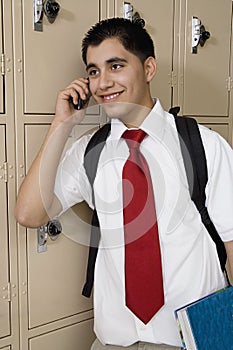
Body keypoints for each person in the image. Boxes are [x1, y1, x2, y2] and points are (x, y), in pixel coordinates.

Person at [15, 17, 233, 350]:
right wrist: (61, 123)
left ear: (148, 68)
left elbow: (231, 242)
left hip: (197, 340)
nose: (102, 83)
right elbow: (29, 214)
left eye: (115, 66)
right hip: (114, 343)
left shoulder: (203, 145)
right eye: (93, 71)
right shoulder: (90, 151)